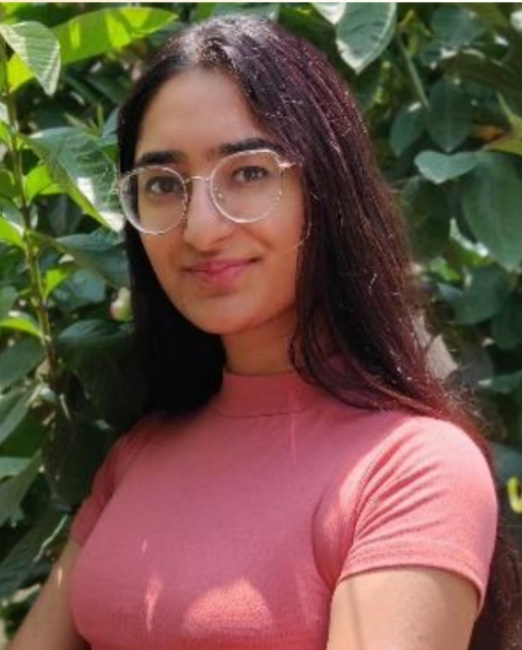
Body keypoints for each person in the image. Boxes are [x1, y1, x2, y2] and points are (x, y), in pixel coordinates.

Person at [8, 14, 521, 650]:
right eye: (164, 184)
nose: (200, 229)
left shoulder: (410, 470)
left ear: (326, 189)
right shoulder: (140, 453)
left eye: (248, 173)